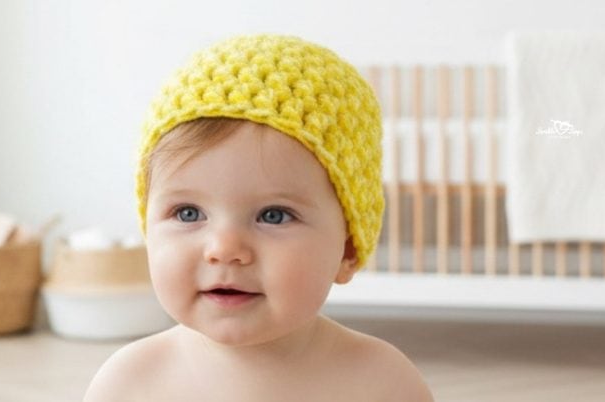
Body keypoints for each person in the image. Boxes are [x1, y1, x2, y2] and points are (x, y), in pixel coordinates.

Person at [84, 34, 433, 402]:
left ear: (348, 248)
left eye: (274, 215)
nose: (224, 249)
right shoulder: (129, 383)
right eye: (188, 213)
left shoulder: (382, 384)